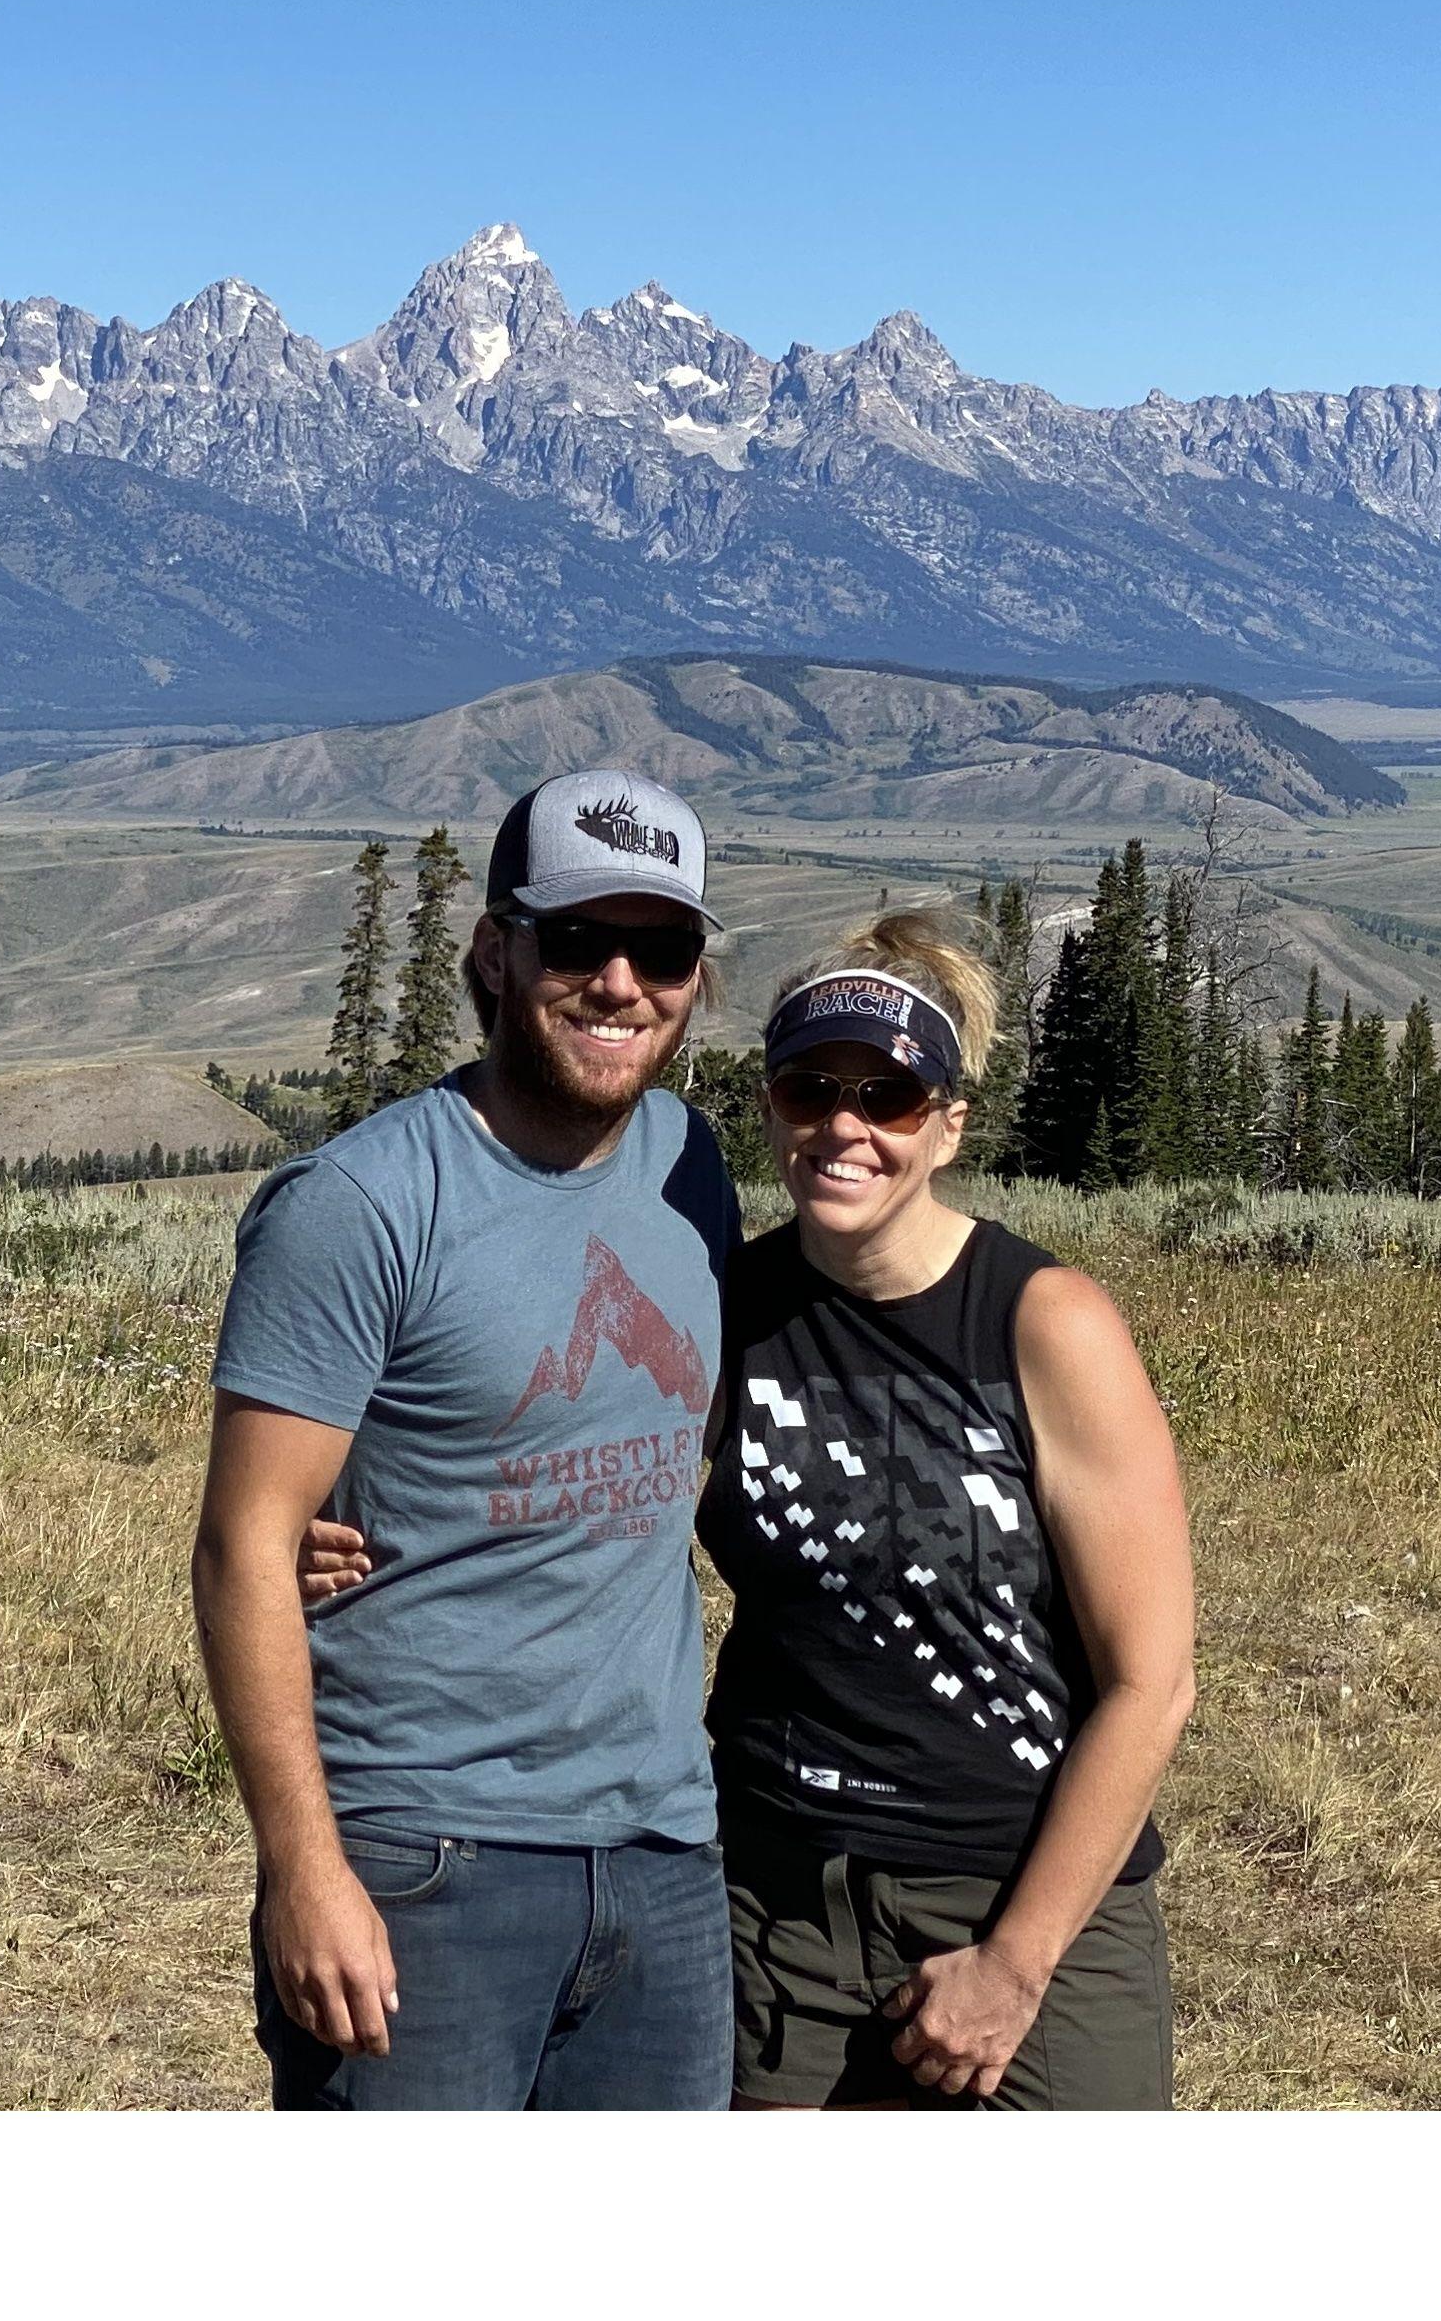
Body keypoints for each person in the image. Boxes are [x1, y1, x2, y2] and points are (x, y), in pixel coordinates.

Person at [303, 907, 1198, 2107]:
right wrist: (366, 1527)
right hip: (776, 1894)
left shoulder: (1043, 1323)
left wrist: (1017, 1963)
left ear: (947, 1126)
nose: (843, 1126)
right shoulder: (730, 1301)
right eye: (809, 1088)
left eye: (887, 1098)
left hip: (1018, 1894)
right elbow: (589, 1464)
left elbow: (1153, 1681)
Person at [192, 768, 742, 2110]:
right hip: (424, 1854)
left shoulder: (690, 1168)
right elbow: (243, 1547)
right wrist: (306, 1868)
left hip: (665, 1847)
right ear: (495, 954)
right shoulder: (361, 1205)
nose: (620, 982)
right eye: (576, 942)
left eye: (661, 949)